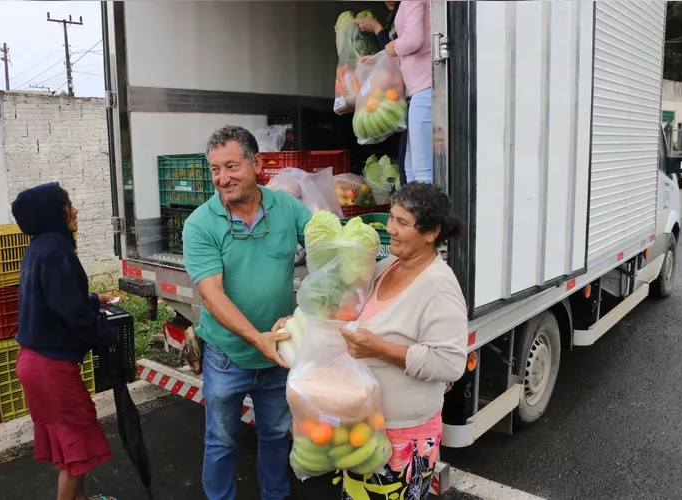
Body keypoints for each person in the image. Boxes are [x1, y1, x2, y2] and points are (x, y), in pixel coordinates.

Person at [275, 183, 468, 499]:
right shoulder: (386, 266)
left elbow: (450, 363)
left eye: (402, 223)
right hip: (359, 427)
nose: (390, 228)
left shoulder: (438, 287)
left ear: (432, 232)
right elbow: (342, 312)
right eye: (392, 217)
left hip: (404, 437)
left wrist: (379, 349)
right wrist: (298, 324)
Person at [182, 125, 313, 500]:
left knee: (275, 435)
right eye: (215, 169)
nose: (222, 178)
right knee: (221, 441)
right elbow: (212, 296)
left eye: (231, 166)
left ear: (257, 164)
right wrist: (258, 339)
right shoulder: (201, 224)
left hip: (279, 353)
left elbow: (324, 249)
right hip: (227, 356)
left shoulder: (286, 207)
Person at [11, 182, 119, 500]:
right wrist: (104, 337)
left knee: (70, 448)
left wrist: (95, 299)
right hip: (51, 368)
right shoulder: (57, 250)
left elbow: (55, 302)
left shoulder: (38, 248)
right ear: (52, 213)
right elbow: (70, 312)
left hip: (32, 361)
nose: (75, 211)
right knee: (77, 447)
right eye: (68, 204)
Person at [358, 0, 433, 184]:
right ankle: (415, 212)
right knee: (411, 169)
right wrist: (381, 58)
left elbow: (414, 40)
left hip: (424, 87)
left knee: (421, 172)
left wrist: (392, 47)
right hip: (418, 89)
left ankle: (424, 213)